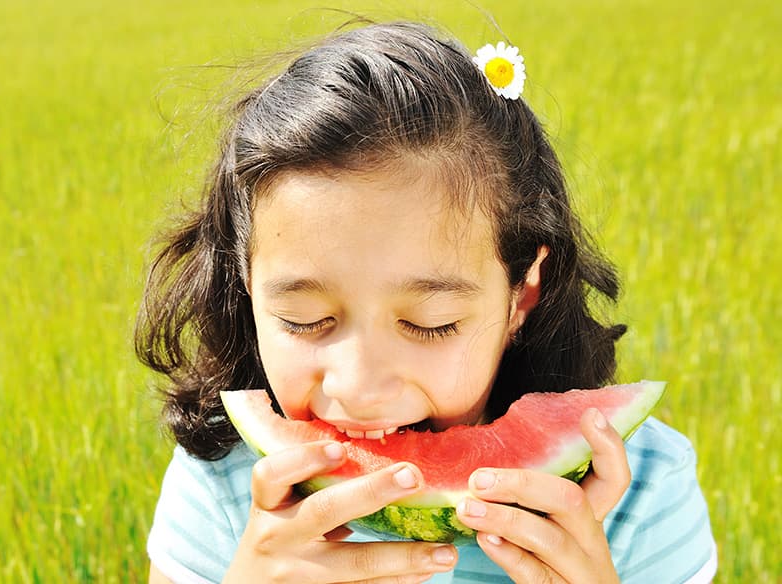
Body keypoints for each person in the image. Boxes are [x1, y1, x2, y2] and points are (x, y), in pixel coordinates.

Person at [136, 20, 716, 583]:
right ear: (246, 288)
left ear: (522, 292)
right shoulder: (223, 490)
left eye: (429, 324)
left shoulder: (640, 497)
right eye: (304, 321)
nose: (358, 389)